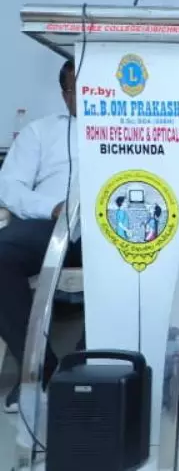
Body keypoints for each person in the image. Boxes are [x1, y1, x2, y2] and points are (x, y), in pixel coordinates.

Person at [0, 60, 81, 412]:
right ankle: (39, 370)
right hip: (50, 222)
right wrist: (51, 207)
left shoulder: (134, 132)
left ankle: (81, 371)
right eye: (77, 89)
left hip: (109, 227)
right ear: (65, 95)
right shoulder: (41, 132)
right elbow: (9, 187)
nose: (88, 96)